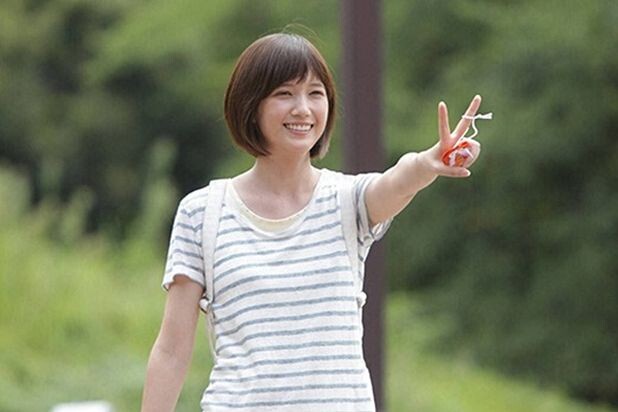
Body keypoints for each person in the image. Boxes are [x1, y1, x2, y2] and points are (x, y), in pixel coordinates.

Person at [141, 32, 483, 412]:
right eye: (285, 94)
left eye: (315, 93)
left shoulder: (348, 200)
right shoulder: (203, 212)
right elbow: (171, 351)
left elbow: (397, 182)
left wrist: (426, 163)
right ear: (250, 106)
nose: (303, 108)